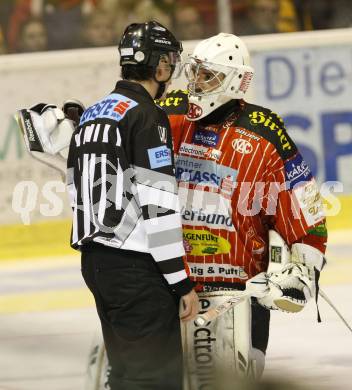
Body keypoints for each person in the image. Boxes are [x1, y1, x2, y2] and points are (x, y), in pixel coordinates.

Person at [158, 32, 327, 384]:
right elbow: (118, 137)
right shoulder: (170, 114)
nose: (196, 83)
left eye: (209, 75)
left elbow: (304, 204)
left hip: (241, 292)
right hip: (174, 286)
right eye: (194, 72)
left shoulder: (264, 132)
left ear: (237, 81)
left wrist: (303, 270)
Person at [65, 21, 199, 389]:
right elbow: (159, 205)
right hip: (135, 271)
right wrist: (180, 281)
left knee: (125, 376)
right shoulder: (145, 115)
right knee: (154, 380)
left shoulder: (93, 113)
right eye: (169, 61)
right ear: (158, 66)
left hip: (96, 265)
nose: (171, 69)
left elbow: (76, 187)